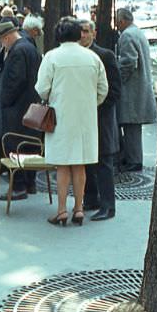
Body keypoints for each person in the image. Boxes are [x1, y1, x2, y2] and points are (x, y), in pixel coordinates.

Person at [35, 18, 108, 226]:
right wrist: (90, 103)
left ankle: (61, 210)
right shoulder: (92, 58)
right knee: (80, 164)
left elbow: (42, 88)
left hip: (60, 117)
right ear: (78, 34)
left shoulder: (52, 57)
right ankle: (78, 208)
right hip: (85, 118)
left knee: (62, 166)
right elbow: (103, 89)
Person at [0, 21, 42, 200]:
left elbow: (15, 81)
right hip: (29, 106)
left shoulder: (18, 51)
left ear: (6, 37)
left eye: (0, 40)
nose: (0, 44)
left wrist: (4, 101)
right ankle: (30, 183)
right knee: (29, 146)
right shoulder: (29, 47)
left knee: (15, 146)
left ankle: (19, 186)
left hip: (17, 109)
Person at [79, 19, 121, 221]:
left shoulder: (105, 55)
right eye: (79, 32)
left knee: (104, 162)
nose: (82, 35)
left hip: (102, 118)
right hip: (83, 119)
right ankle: (90, 199)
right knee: (87, 159)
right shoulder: (76, 56)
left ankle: (108, 205)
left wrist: (95, 107)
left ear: (94, 34)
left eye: (86, 31)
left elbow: (115, 91)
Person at [114, 8, 157, 172]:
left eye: (117, 22)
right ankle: (132, 158)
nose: (116, 26)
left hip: (131, 91)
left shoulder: (127, 35)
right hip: (138, 88)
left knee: (130, 126)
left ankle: (133, 160)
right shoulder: (137, 32)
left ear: (122, 21)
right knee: (132, 127)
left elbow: (128, 62)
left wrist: (118, 80)